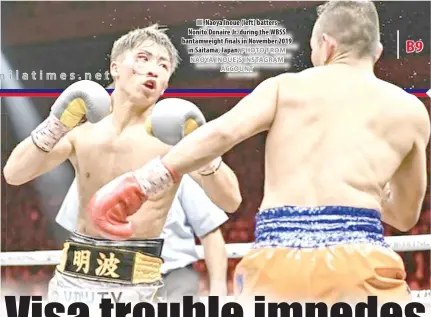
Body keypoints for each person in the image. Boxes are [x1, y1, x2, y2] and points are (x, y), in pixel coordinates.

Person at [86, 1, 430, 304]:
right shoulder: (411, 111)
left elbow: (221, 133)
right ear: (377, 50)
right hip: (361, 265)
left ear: (326, 46)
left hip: (278, 262)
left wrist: (143, 182)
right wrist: (373, 191)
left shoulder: (285, 88)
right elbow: (403, 217)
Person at [3, 24, 241, 305]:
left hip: (138, 284)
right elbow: (14, 173)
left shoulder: (175, 140)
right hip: (74, 278)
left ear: (166, 83)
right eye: (143, 58)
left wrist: (205, 150)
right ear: (115, 68)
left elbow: (231, 200)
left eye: (163, 66)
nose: (153, 69)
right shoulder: (82, 131)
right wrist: (55, 124)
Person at [56, 173, 229, 302]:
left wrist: (219, 289)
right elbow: (75, 234)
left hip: (173, 275)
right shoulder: (90, 168)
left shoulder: (179, 170)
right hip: (112, 277)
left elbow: (210, 231)